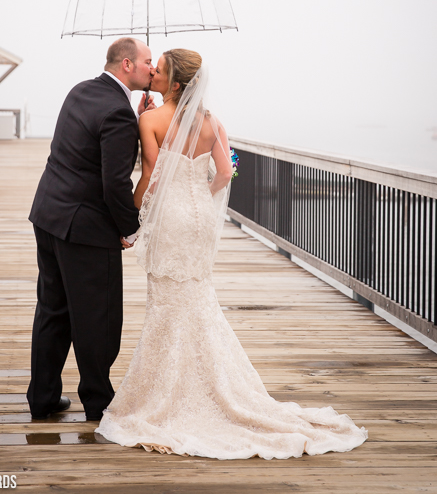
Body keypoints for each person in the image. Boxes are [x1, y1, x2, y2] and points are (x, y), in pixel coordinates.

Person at [96, 49, 368, 459]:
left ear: (172, 83)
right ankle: (217, 385)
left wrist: (132, 224)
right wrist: (201, 199)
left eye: (161, 71)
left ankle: (167, 392)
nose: (153, 73)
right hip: (201, 217)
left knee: (168, 301)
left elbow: (150, 177)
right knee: (198, 296)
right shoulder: (211, 123)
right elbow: (227, 170)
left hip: (169, 216)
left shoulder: (149, 119)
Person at [26, 37, 154, 421]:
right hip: (85, 228)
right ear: (128, 64)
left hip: (48, 215)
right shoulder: (117, 112)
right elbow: (115, 184)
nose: (153, 68)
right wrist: (130, 229)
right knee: (98, 317)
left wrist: (134, 118)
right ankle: (98, 401)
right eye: (148, 61)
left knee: (53, 310)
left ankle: (43, 398)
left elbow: (84, 147)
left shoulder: (81, 91)